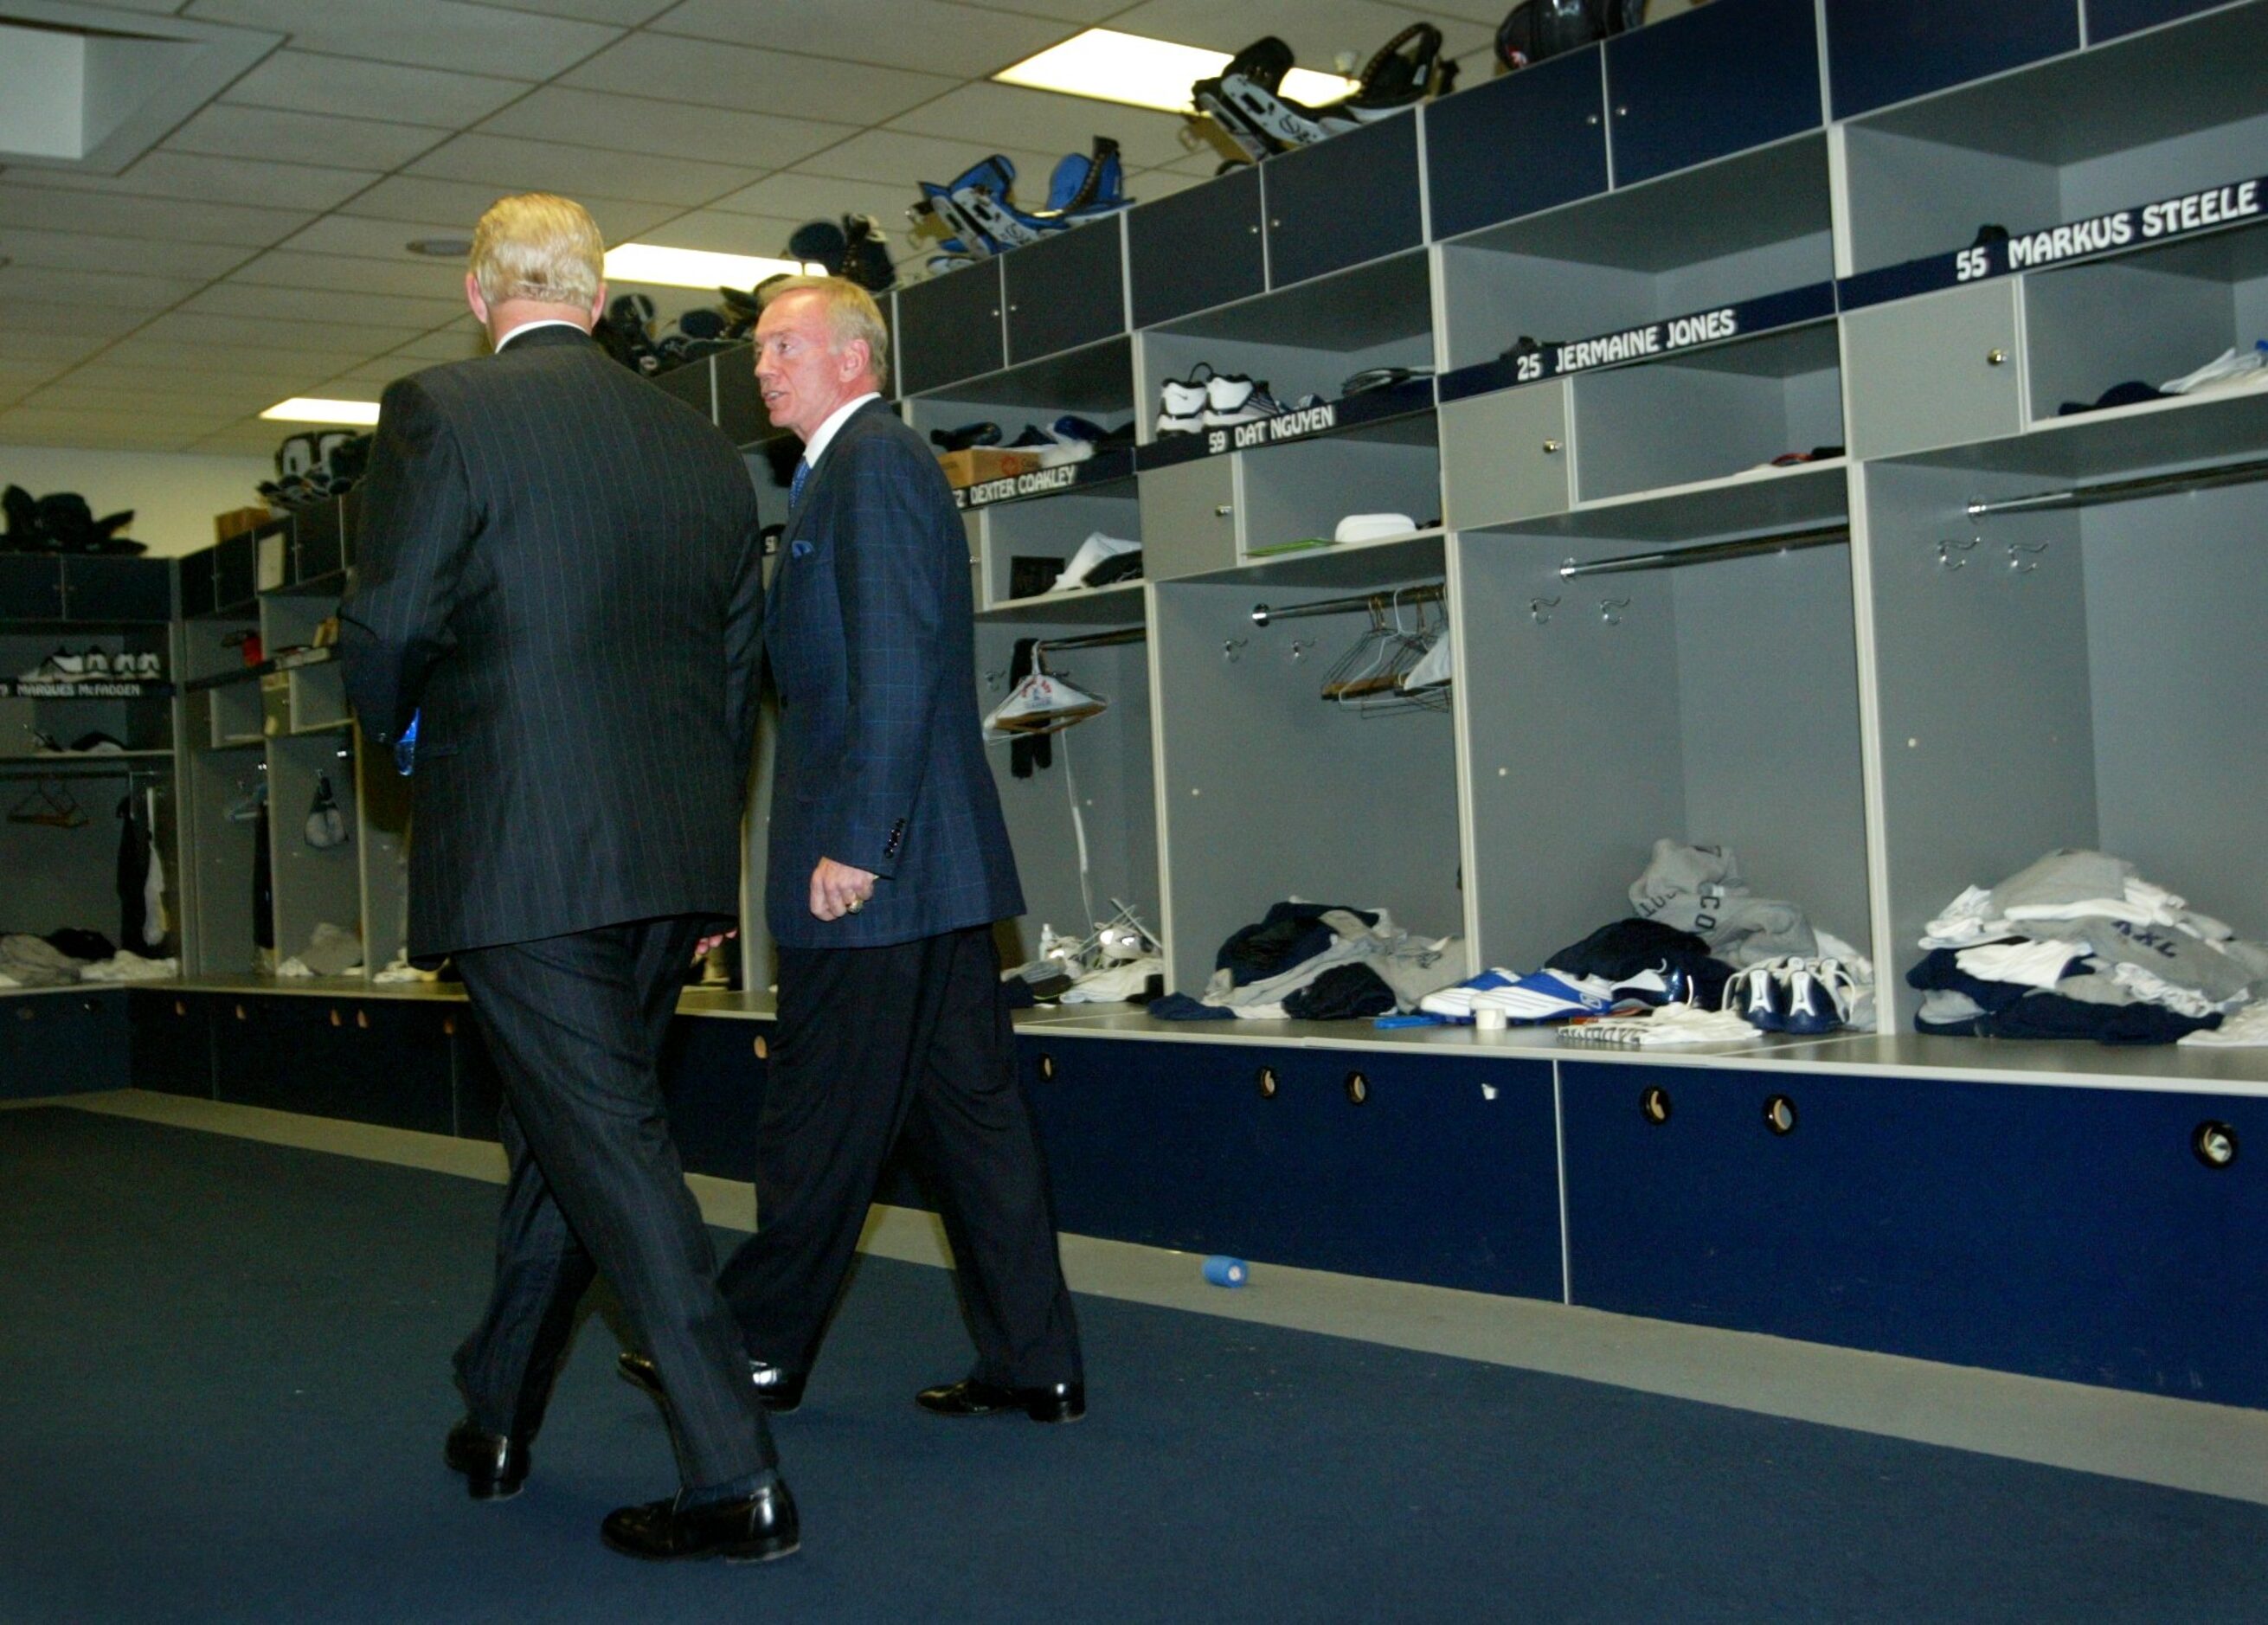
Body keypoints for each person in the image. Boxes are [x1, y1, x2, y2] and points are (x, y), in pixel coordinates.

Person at [338, 193, 793, 1564]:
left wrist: (409, 726)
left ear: (480, 297)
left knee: (615, 1155)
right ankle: (496, 1412)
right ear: (598, 301)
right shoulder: (704, 445)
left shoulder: (437, 411)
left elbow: (391, 625)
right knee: (568, 1142)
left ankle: (734, 1478)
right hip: (664, 859)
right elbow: (733, 675)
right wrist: (709, 874)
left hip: (523, 851)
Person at [617, 275, 1084, 1423]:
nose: (763, 366)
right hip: (930, 872)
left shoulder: (870, 465)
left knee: (818, 1117)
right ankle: (1039, 1360)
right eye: (763, 347)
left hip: (879, 873)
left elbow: (898, 659)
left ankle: (755, 1346)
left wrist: (858, 843)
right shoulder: (843, 472)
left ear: (852, 359)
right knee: (972, 1129)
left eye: (783, 345)